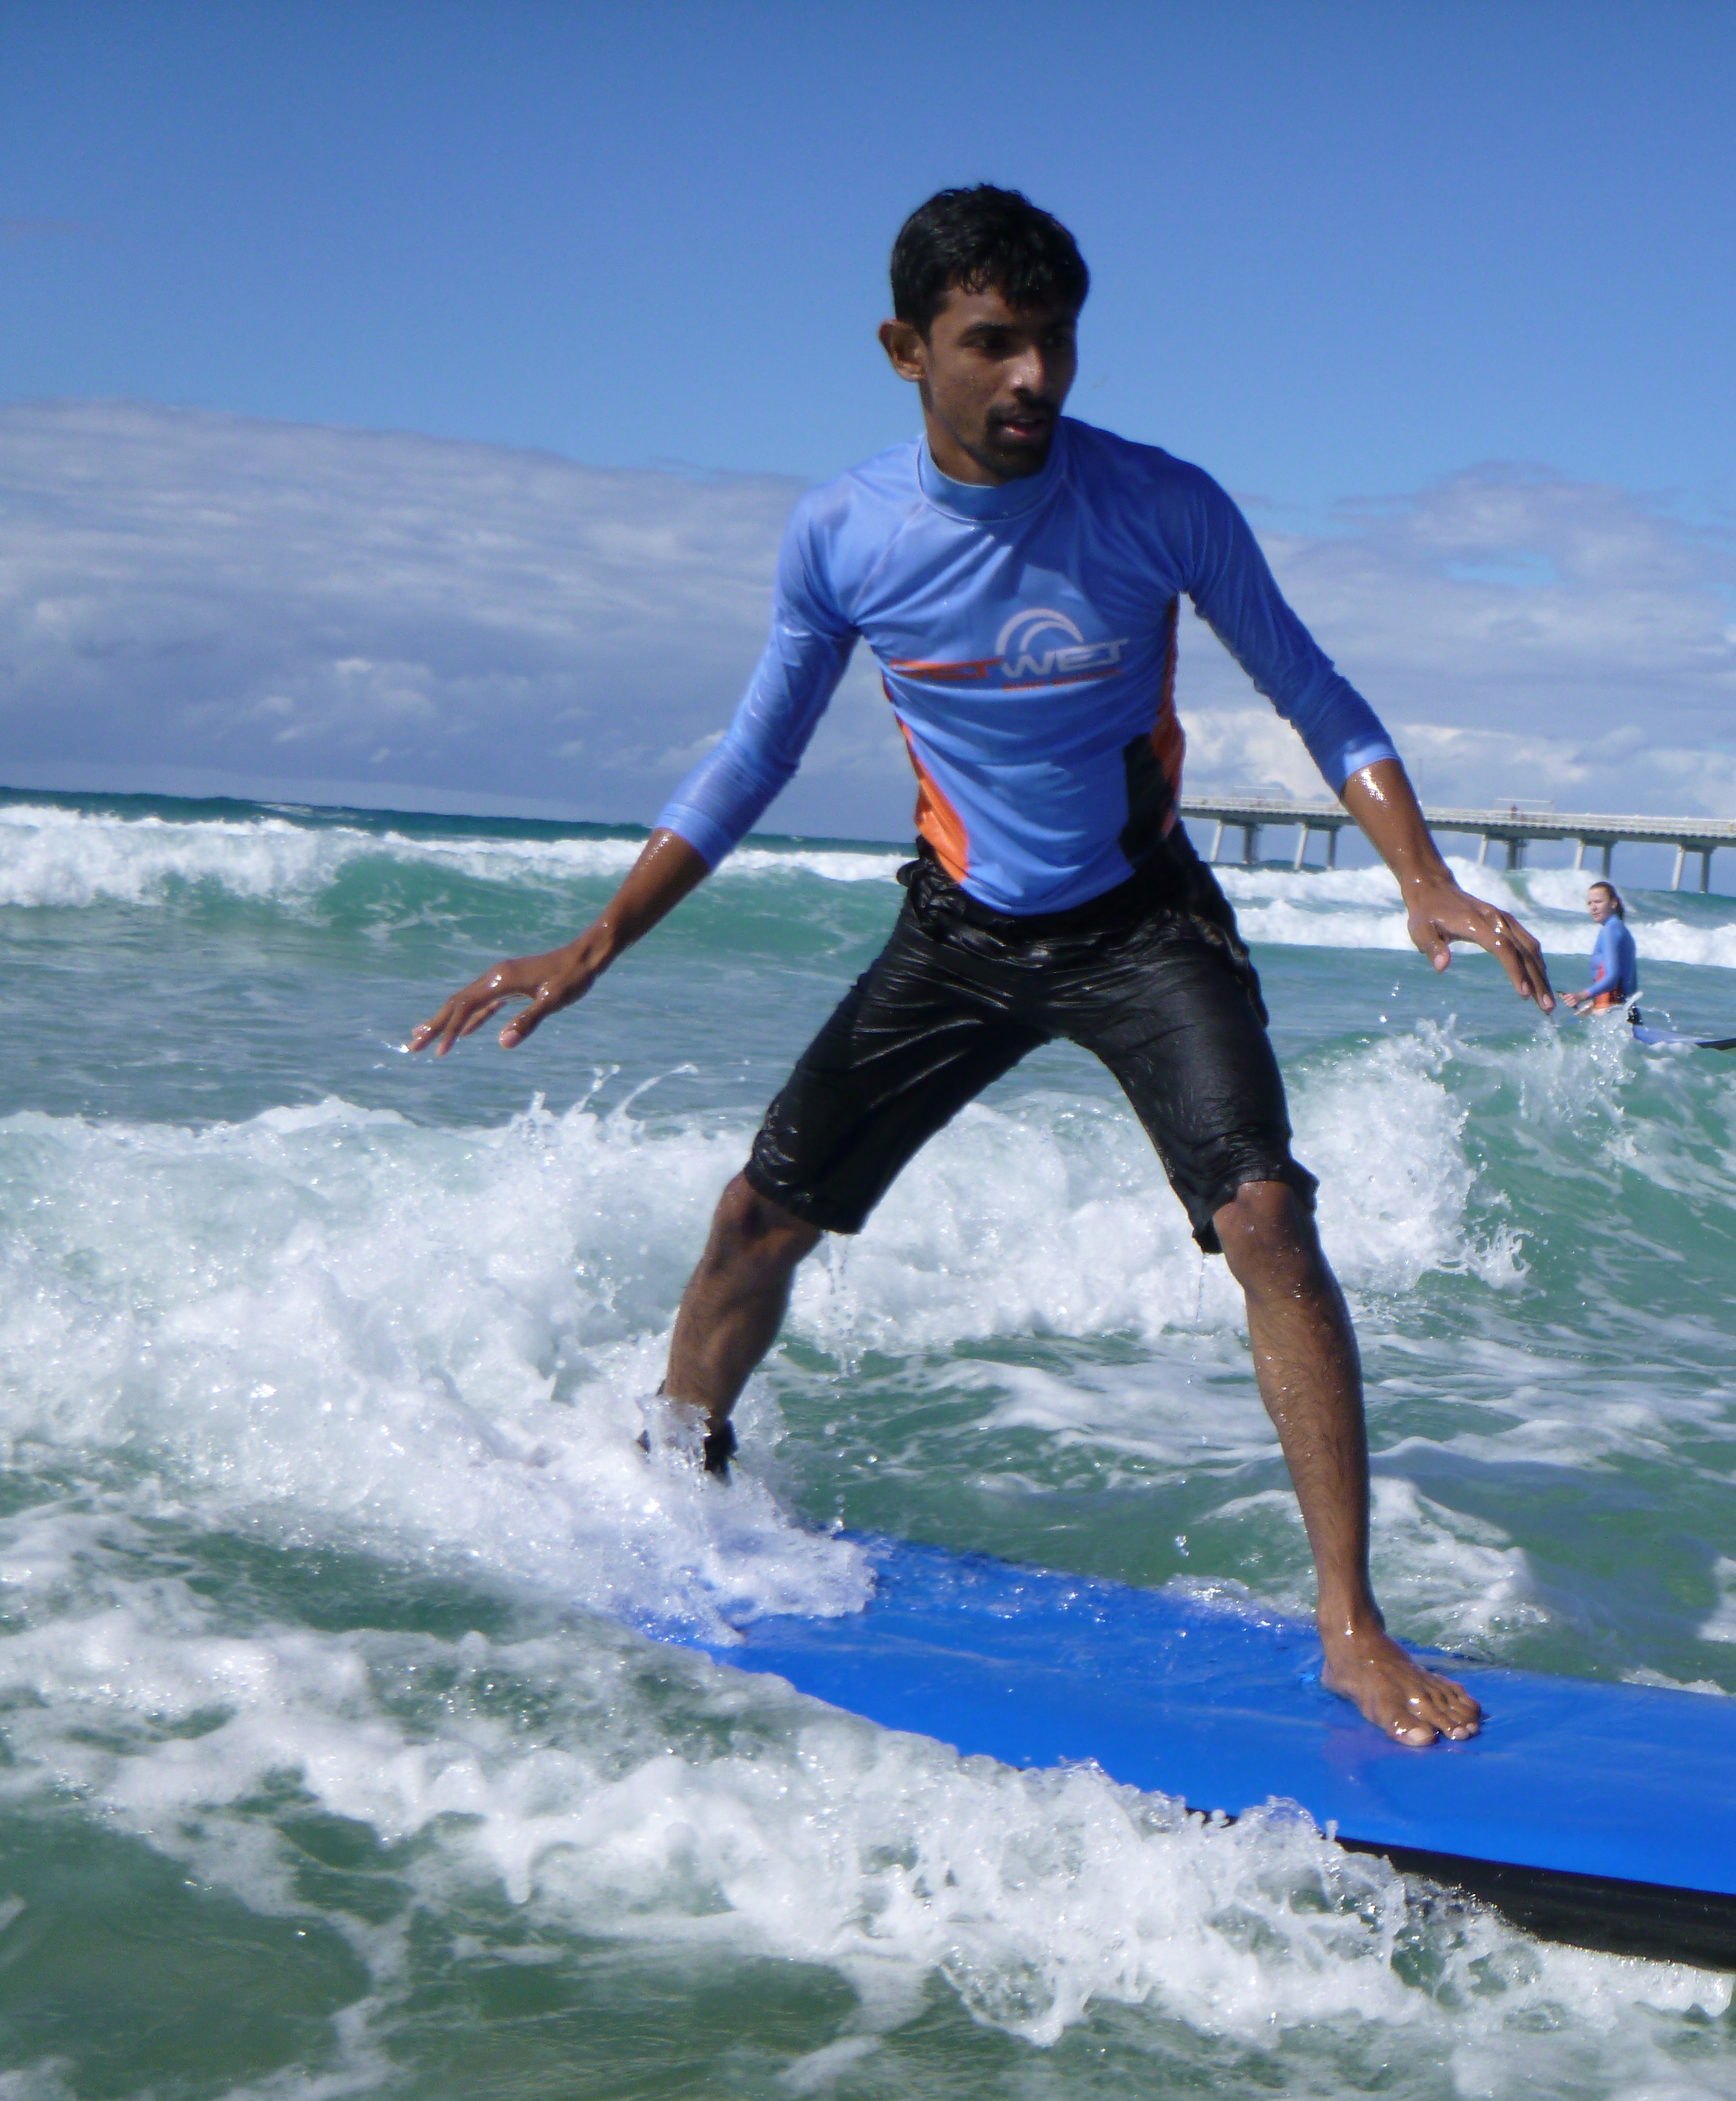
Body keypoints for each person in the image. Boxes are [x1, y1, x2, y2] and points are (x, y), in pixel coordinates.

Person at [410, 185, 1552, 1747]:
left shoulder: (1159, 503)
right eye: (991, 342)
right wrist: (601, 935)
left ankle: (1350, 1623)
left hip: (1142, 921)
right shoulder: (847, 534)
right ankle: (670, 1471)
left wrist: (1420, 877)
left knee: (1268, 1215)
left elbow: (1315, 689)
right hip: (956, 930)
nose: (1033, 377)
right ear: (907, 351)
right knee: (759, 1215)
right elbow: (756, 751)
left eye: (1056, 342)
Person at [1560, 881, 1638, 1017]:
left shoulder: (1609, 931)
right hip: (1626, 1011)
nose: (1593, 908)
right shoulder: (1622, 930)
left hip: (1613, 1014)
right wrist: (1592, 1005)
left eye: (1598, 902)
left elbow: (1612, 977)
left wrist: (1580, 996)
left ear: (1614, 903)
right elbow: (1628, 985)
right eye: (1589, 903)